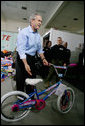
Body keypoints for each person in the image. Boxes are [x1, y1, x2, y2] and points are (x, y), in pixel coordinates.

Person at [16, 13, 48, 98]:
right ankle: (21, 99)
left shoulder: (38, 36)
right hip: (22, 58)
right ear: (32, 21)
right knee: (21, 79)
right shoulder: (24, 32)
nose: (40, 23)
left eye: (41, 21)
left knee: (31, 78)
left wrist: (43, 58)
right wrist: (25, 64)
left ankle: (30, 97)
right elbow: (21, 51)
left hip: (31, 58)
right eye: (39, 20)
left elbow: (39, 49)